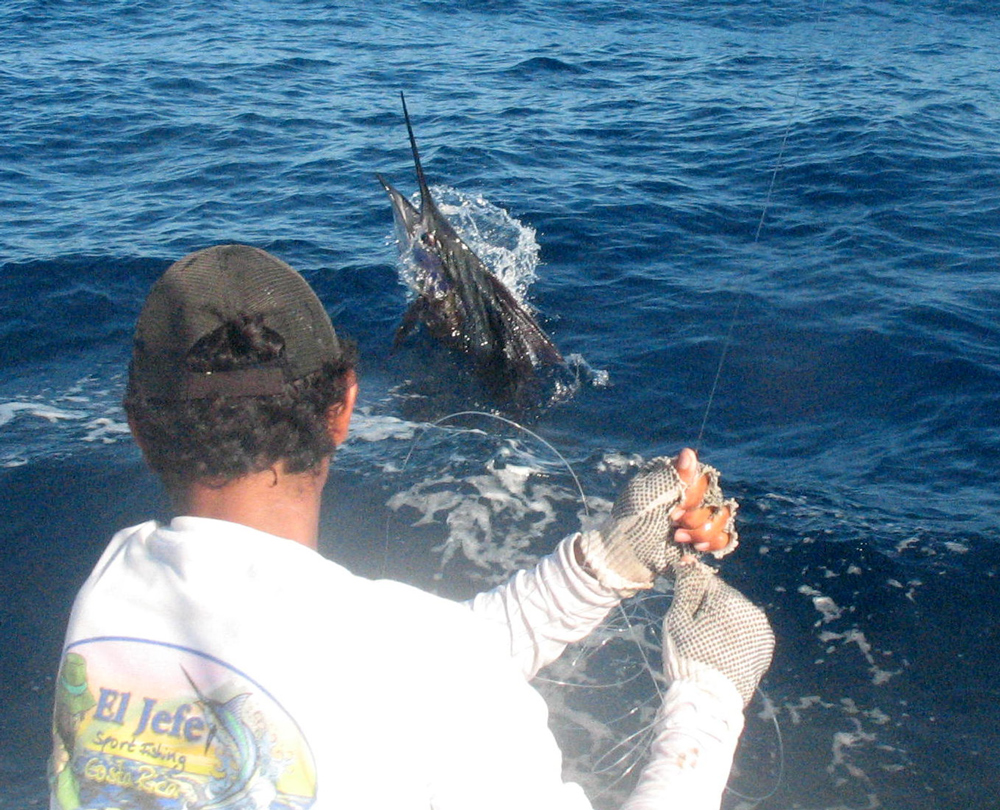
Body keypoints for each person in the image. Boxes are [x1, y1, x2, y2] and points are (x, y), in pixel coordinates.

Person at [48, 244, 774, 810]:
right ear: (344, 408)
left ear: (137, 426)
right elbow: (420, 674)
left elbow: (401, 672)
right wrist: (707, 704)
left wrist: (607, 563)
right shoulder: (419, 666)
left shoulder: (112, 593)